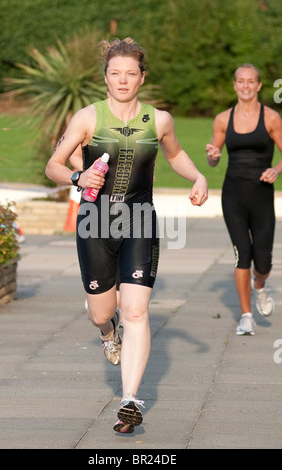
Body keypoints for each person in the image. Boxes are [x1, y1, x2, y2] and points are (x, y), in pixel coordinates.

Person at [45, 37, 208, 433]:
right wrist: (78, 176)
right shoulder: (87, 118)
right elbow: (53, 165)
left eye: (130, 74)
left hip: (139, 219)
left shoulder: (160, 120)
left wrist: (198, 175)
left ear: (141, 77)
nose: (122, 80)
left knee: (136, 310)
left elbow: (174, 154)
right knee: (103, 311)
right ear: (105, 77)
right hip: (95, 223)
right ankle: (107, 332)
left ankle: (130, 401)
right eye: (115, 73)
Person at [206, 64, 282, 336]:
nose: (246, 86)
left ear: (259, 85)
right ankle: (246, 316)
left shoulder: (271, 118)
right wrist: (212, 155)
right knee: (243, 255)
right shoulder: (223, 119)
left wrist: (276, 169)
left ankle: (260, 286)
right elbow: (213, 159)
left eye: (251, 81)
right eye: (241, 81)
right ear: (235, 85)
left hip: (261, 195)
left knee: (263, 263)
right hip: (233, 194)